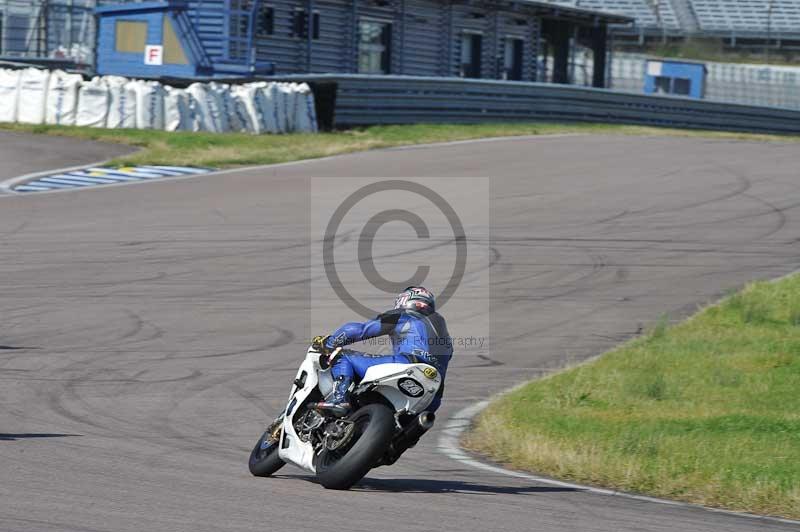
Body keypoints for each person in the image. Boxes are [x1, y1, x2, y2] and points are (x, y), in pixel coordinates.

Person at [312, 286, 453, 416]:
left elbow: (359, 330)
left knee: (342, 356)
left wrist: (329, 342)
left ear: (405, 300)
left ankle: (339, 398)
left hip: (408, 365)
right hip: (433, 394)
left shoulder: (404, 315)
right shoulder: (446, 339)